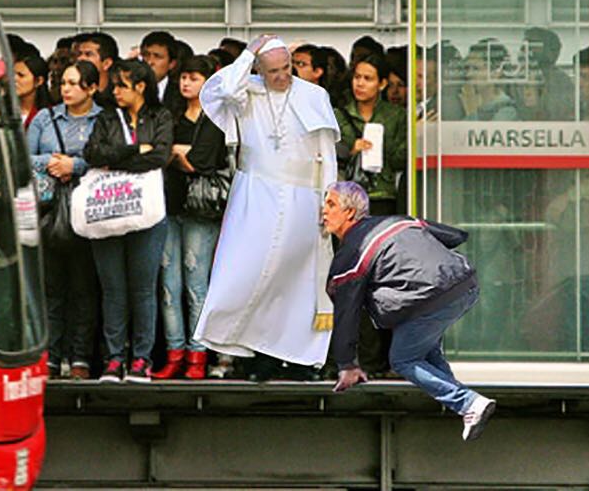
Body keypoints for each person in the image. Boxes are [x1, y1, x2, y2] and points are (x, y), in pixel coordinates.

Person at [193, 34, 339, 379]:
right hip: (256, 197)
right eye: (272, 70)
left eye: (286, 67)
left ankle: (301, 360)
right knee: (251, 273)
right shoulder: (247, 93)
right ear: (259, 70)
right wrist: (248, 54)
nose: (282, 76)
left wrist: (329, 200)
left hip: (304, 198)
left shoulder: (314, 96)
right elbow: (222, 90)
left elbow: (327, 154)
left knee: (297, 281)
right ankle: (260, 358)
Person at [322, 181, 496, 442]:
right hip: (464, 285)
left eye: (330, 204)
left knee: (403, 359)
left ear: (349, 213)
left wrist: (347, 364)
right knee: (425, 349)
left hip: (428, 299)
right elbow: (455, 236)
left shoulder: (350, 256)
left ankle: (468, 403)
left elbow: (347, 315)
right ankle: (459, 405)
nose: (323, 211)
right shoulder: (399, 221)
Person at [84, 59, 173, 383]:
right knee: (112, 288)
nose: (115, 91)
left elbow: (160, 157)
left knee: (143, 288)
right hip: (109, 208)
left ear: (141, 86)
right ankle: (113, 359)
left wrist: (119, 156)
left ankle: (141, 359)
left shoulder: (159, 116)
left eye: (122, 85)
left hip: (147, 210)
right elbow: (93, 154)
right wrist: (136, 148)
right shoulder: (107, 117)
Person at [27, 61, 103, 380]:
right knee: (50, 287)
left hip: (89, 211)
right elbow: (24, 155)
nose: (66, 89)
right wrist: (54, 163)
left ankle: (81, 358)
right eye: (63, 83)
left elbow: (108, 157)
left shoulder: (103, 119)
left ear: (92, 88)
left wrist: (77, 165)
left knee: (84, 287)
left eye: (74, 83)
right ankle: (50, 355)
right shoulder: (45, 118)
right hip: (49, 210)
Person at [153, 55, 227, 380]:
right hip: (169, 206)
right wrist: (179, 153)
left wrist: (174, 154)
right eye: (184, 77)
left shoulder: (215, 118)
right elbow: (159, 151)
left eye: (195, 78)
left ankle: (198, 354)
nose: (186, 83)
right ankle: (175, 352)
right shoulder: (170, 115)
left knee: (197, 284)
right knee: (169, 285)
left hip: (201, 209)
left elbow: (201, 162)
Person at [335, 52, 407, 217]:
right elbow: (331, 156)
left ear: (382, 84)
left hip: (383, 195)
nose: (360, 84)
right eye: (357, 77)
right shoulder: (339, 115)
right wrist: (351, 151)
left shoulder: (396, 116)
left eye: (368, 79)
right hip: (349, 195)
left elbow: (400, 160)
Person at [74, 32, 119, 110]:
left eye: (88, 54)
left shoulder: (118, 95)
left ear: (106, 64)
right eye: (79, 54)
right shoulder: (73, 92)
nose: (80, 58)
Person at [140, 30, 184, 112]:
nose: (150, 62)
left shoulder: (181, 94)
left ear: (171, 64)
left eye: (157, 56)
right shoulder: (131, 90)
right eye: (146, 55)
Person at [14, 54, 49, 130]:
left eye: (21, 75)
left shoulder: (49, 116)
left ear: (38, 81)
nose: (14, 79)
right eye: (12, 74)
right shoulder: (1, 111)